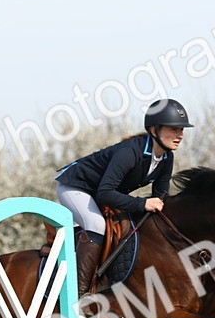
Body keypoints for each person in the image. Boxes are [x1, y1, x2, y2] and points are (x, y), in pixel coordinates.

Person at [55, 98, 193, 296]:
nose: (180, 136)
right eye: (174, 129)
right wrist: (142, 203)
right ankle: (79, 294)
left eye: (181, 130)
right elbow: (105, 192)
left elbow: (161, 197)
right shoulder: (130, 151)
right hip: (76, 187)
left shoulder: (166, 157)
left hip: (102, 193)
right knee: (97, 224)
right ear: (154, 129)